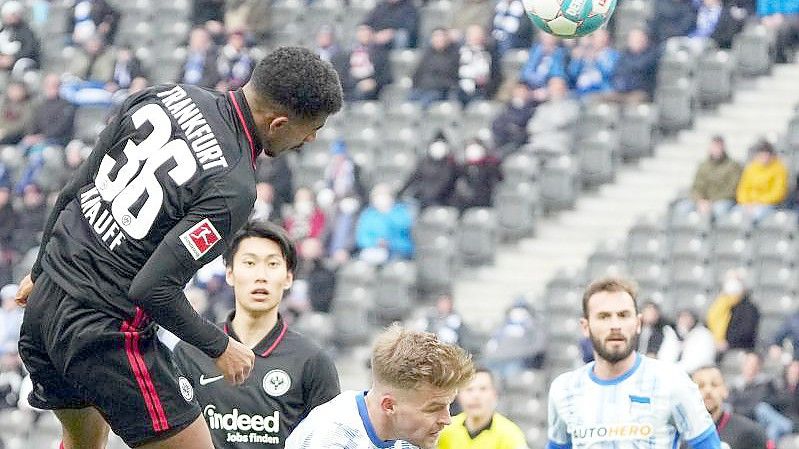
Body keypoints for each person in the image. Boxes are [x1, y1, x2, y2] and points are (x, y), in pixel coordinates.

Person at [16, 46, 343, 449]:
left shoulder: (165, 94)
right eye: (313, 128)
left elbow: (73, 189)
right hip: (104, 329)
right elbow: (151, 289)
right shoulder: (233, 187)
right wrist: (220, 345)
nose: (310, 138)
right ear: (278, 123)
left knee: (82, 442)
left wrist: (38, 272)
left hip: (45, 305)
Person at [171, 220, 340, 449]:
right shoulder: (190, 352)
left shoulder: (313, 361)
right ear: (230, 274)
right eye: (249, 263)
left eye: (272, 264)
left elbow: (330, 442)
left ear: (289, 277)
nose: (261, 276)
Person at [547, 277, 721, 449]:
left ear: (638, 323)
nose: (615, 325)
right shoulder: (564, 389)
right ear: (585, 326)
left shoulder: (672, 381)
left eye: (623, 315)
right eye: (604, 316)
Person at [285, 324, 474, 449]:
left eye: (448, 405)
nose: (447, 419)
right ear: (389, 406)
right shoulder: (330, 439)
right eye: (433, 408)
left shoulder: (406, 437)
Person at [437, 367, 529, 449]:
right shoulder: (445, 429)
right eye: (469, 389)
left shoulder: (510, 434)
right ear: (458, 395)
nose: (476, 396)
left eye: (483, 389)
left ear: (494, 394)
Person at [690, 365, 770, 449]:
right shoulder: (682, 435)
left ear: (725, 390)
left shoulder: (750, 432)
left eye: (714, 385)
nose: (708, 390)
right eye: (700, 386)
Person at [676, 135, 742, 219]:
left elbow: (732, 189)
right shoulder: (703, 166)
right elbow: (696, 187)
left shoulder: (733, 166)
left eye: (719, 147)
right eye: (714, 147)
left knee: (719, 209)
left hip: (723, 200)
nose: (717, 150)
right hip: (703, 201)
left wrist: (711, 202)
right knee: (682, 208)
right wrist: (700, 200)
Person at [735, 139, 789, 223]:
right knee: (735, 215)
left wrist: (758, 202)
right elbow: (742, 189)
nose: (764, 158)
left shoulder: (779, 169)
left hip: (769, 204)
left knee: (756, 215)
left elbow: (778, 193)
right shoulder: (751, 168)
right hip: (749, 204)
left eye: (767, 155)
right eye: (762, 155)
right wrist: (746, 202)